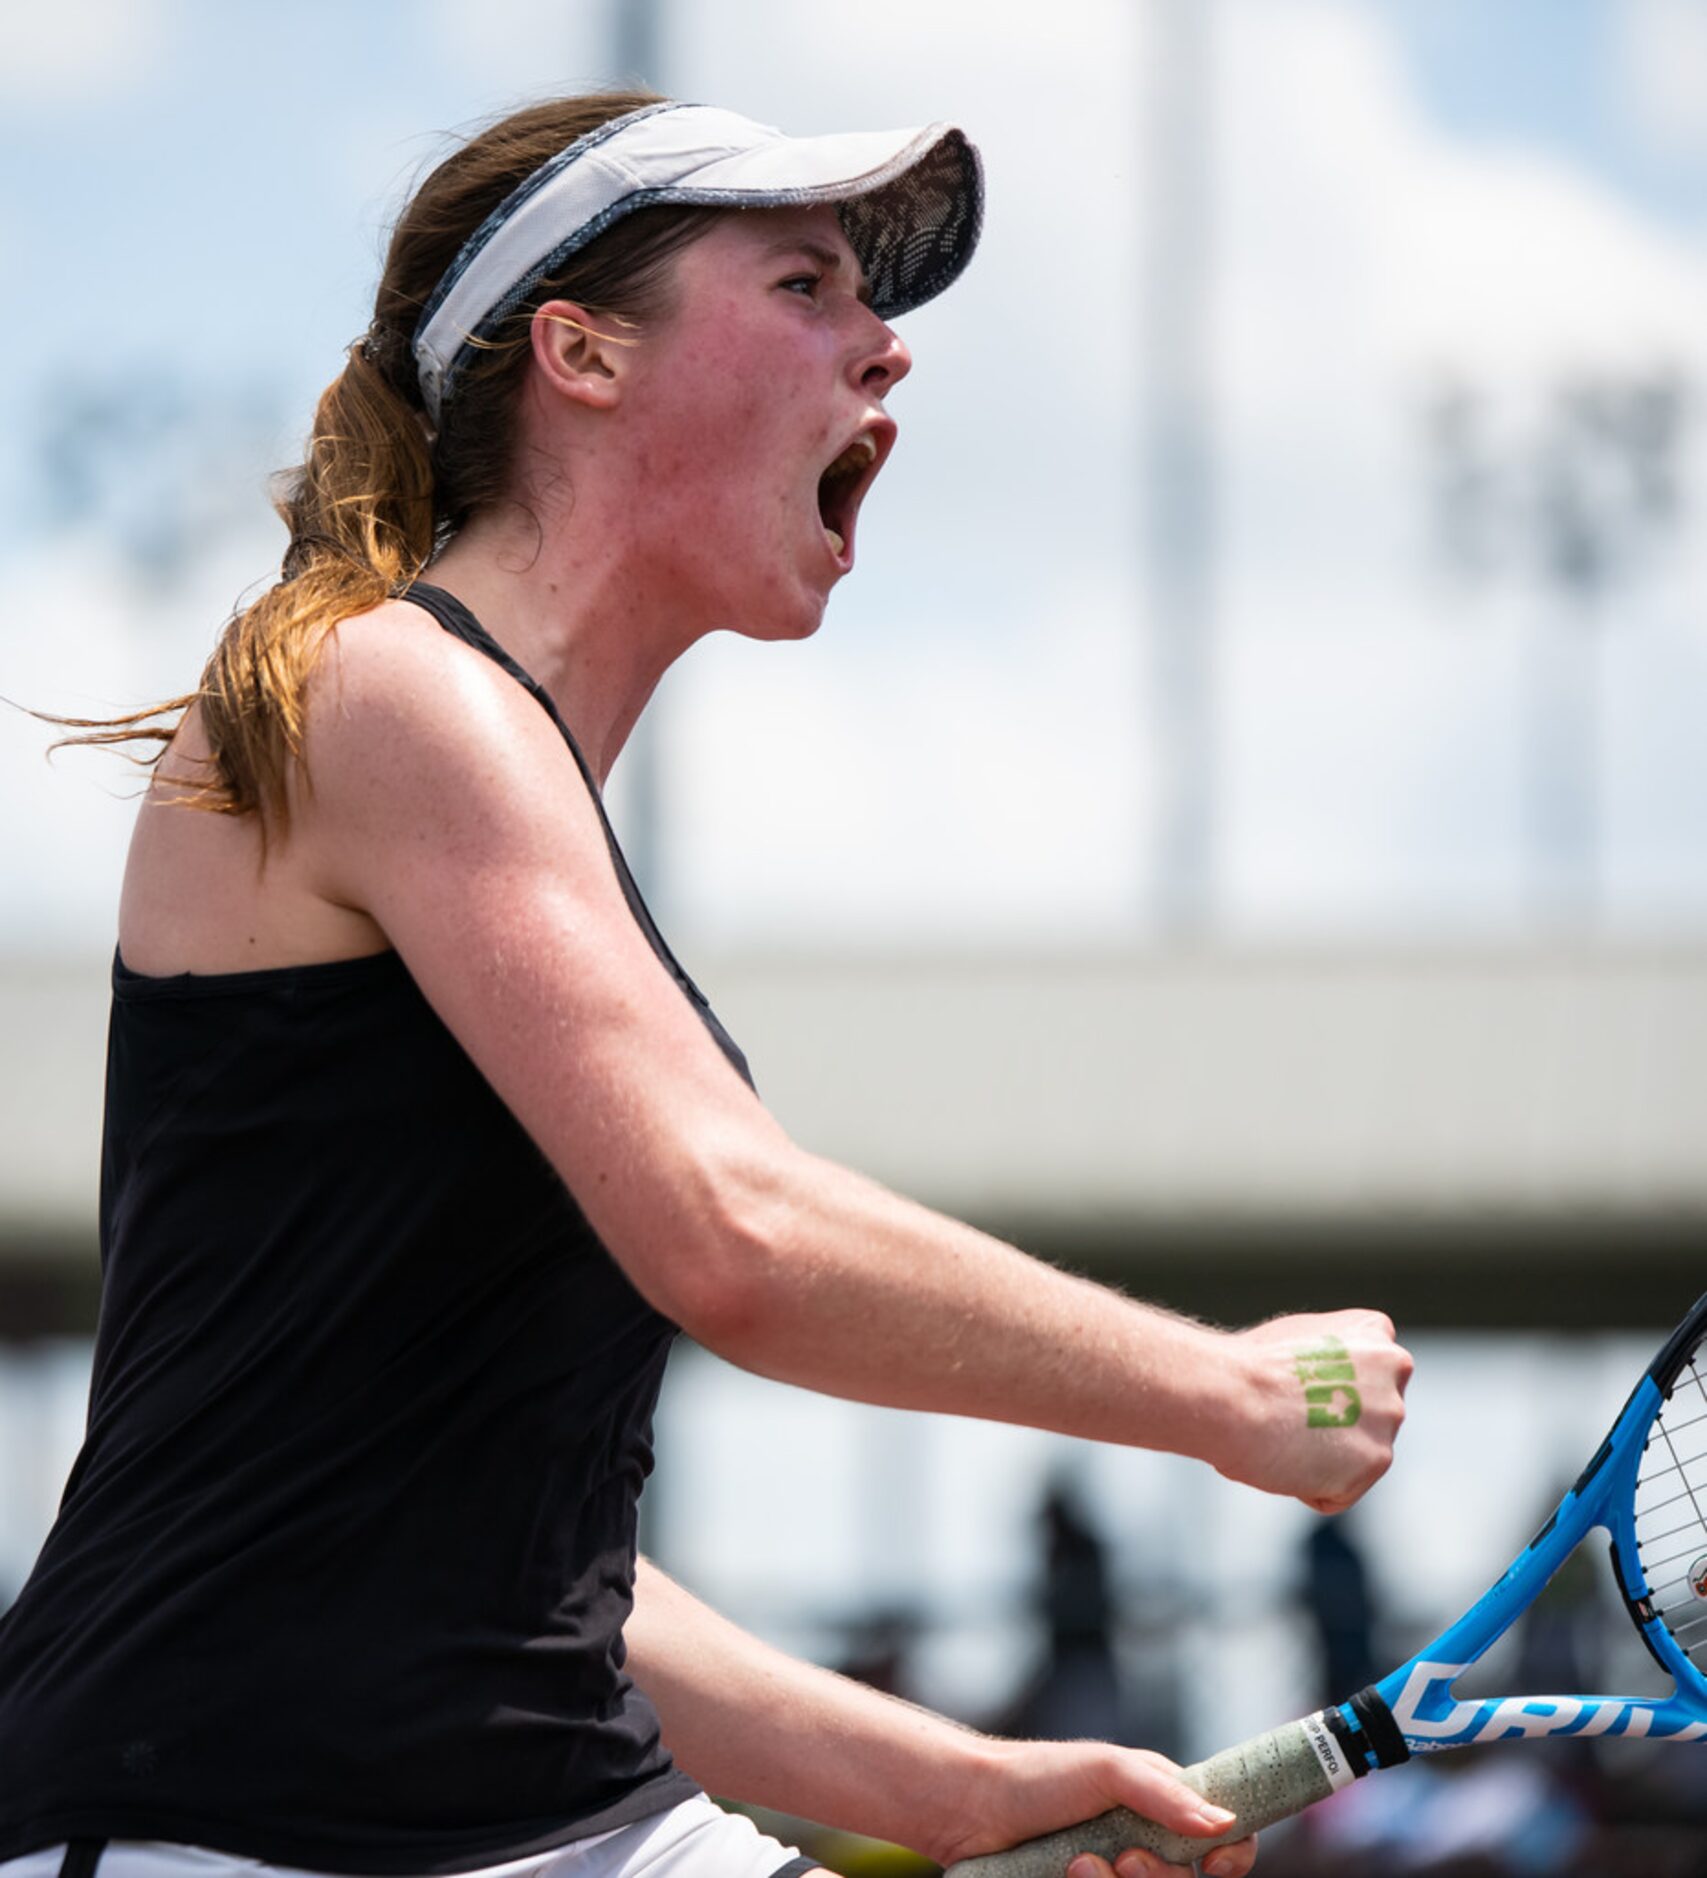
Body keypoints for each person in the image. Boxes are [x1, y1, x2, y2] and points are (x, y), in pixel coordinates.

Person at [0, 93, 1413, 1878]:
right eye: (807, 283)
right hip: (235, 1828)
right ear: (581, 354)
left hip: (530, 1826)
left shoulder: (483, 780)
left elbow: (519, 1560)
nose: (886, 348)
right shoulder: (384, 690)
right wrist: (1233, 1394)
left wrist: (959, 1785)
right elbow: (731, 1230)